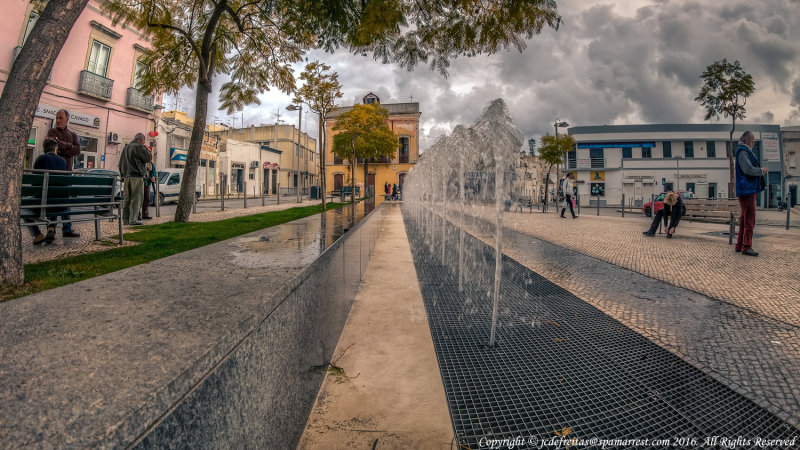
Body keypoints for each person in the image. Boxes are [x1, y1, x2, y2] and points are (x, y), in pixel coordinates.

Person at [25, 138, 67, 244]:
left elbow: (34, 183)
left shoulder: (40, 159)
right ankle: (51, 227)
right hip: (60, 204)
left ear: (44, 149)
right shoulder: (63, 161)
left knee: (25, 210)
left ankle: (37, 234)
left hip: (43, 202)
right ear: (55, 149)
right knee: (55, 199)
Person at [46, 109, 81, 237]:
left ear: (67, 119)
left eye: (61, 118)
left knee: (66, 201)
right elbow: (53, 145)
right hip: (54, 173)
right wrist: (69, 146)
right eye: (57, 118)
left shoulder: (72, 134)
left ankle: (67, 228)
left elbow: (77, 150)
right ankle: (52, 228)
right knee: (54, 201)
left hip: (67, 173)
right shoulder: (52, 131)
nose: (58, 120)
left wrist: (62, 147)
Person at [735, 130, 768, 256]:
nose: (753, 144)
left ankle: (740, 245)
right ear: (746, 140)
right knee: (749, 218)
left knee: (745, 218)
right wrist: (761, 171)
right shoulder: (743, 151)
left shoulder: (743, 151)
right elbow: (748, 169)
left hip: (746, 189)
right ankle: (747, 246)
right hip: (747, 189)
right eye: (752, 141)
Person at [118, 133, 152, 225]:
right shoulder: (139, 147)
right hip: (136, 176)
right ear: (141, 140)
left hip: (126, 177)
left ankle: (125, 220)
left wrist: (122, 175)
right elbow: (148, 158)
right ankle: (133, 220)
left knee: (127, 199)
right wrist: (145, 148)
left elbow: (120, 163)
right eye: (144, 141)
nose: (144, 142)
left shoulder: (126, 148)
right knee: (136, 199)